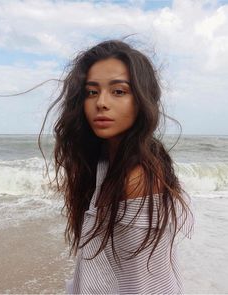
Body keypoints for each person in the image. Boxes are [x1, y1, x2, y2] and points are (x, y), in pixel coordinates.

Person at [39, 39, 195, 294]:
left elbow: (146, 285)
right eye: (92, 92)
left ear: (143, 99)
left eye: (118, 91)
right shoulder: (104, 162)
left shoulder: (137, 178)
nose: (101, 102)